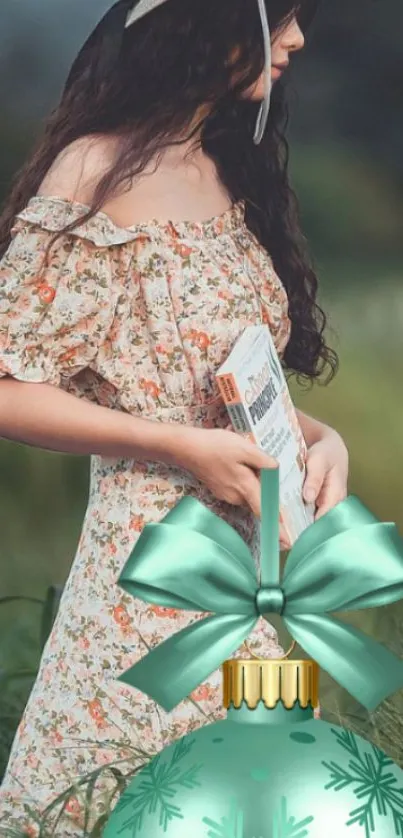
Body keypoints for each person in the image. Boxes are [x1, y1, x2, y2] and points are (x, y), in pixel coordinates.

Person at [0, 0, 349, 833]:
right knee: (134, 797)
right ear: (208, 24)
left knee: (252, 803)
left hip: (252, 570)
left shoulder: (227, 163)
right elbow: (7, 383)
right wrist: (172, 445)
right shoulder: (94, 170)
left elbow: (224, 383)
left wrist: (318, 437)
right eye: (282, 18)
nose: (296, 39)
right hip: (149, 572)